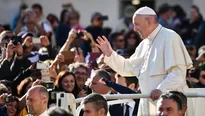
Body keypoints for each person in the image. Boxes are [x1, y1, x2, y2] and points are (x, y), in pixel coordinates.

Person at [96, 6, 192, 115]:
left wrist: (161, 89)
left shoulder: (170, 37)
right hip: (148, 102)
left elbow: (178, 72)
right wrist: (110, 53)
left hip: (169, 104)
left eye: (137, 24)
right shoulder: (144, 44)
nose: (134, 29)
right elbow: (127, 68)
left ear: (149, 21)